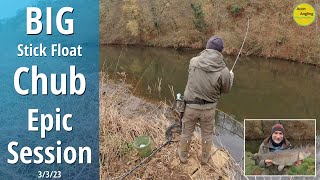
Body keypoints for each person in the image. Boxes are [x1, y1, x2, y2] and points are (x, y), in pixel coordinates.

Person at [177, 35, 234, 165]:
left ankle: (183, 156)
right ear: (221, 51)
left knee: (186, 133)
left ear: (207, 47)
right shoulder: (224, 70)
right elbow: (226, 90)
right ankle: (204, 159)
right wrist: (230, 77)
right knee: (207, 135)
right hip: (209, 110)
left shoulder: (193, 61)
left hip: (190, 108)